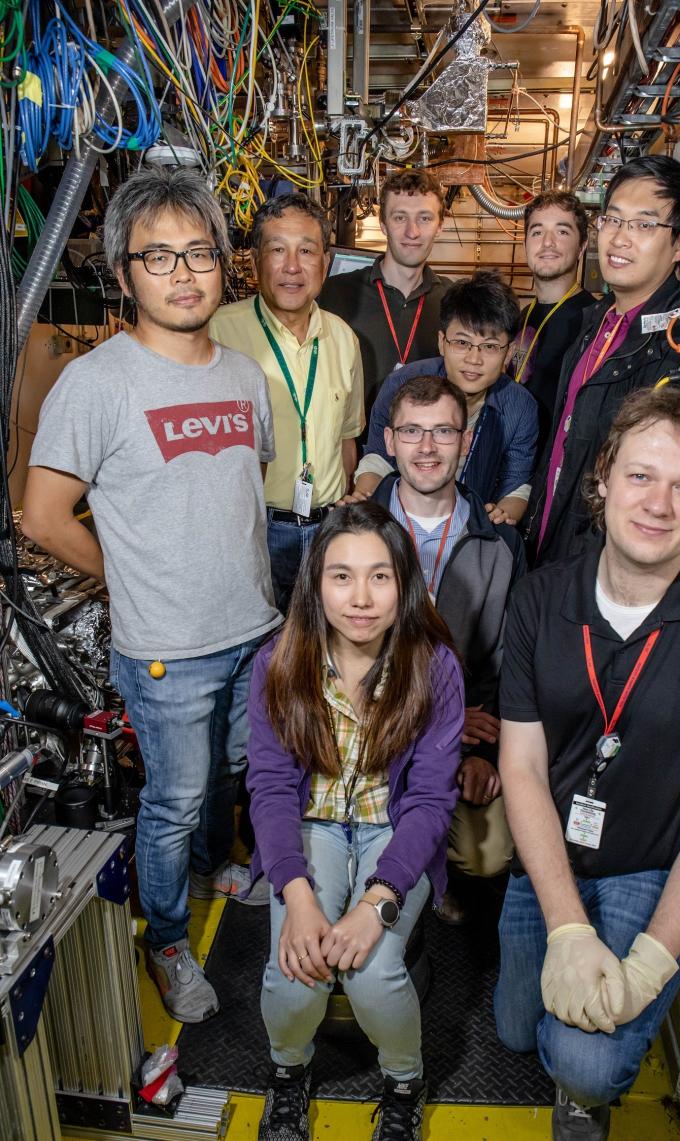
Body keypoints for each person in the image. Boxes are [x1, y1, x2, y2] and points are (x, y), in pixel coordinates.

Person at [21, 167, 282, 1023]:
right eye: (158, 256)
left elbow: (243, 492)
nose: (182, 273)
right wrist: (124, 573)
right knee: (170, 798)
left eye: (199, 252)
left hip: (254, 627)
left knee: (233, 770)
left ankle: (219, 863)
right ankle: (166, 935)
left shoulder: (245, 377)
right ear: (124, 273)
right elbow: (44, 515)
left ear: (222, 265)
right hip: (166, 645)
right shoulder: (98, 383)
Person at [494, 387, 680, 1140]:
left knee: (580, 1061)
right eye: (642, 476)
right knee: (518, 1031)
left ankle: (583, 1098)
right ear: (605, 477)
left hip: (644, 867)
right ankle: (563, 986)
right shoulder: (541, 595)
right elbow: (521, 765)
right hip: (547, 850)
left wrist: (649, 963)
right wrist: (564, 928)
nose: (659, 503)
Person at [247, 501, 465, 1141]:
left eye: (379, 576)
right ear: (315, 584)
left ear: (405, 583)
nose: (361, 597)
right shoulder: (279, 663)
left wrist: (378, 900)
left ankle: (405, 1082)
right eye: (341, 576)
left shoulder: (434, 667)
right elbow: (269, 787)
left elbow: (429, 800)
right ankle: (288, 1074)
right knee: (295, 977)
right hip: (309, 826)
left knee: (372, 976)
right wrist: (295, 893)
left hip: (393, 832)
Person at [370, 376, 525, 921]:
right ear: (388, 441)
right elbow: (327, 668)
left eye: (443, 431)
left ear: (467, 438)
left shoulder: (499, 543)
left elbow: (509, 662)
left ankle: (427, 862)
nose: (427, 447)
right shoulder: (351, 532)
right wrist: (439, 719)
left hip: (456, 741)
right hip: (364, 737)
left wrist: (481, 752)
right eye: (412, 431)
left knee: (487, 854)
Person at [524, 154, 680, 566]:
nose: (621, 239)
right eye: (613, 220)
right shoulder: (596, 320)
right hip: (550, 543)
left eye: (644, 225)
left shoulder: (678, 343)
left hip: (599, 563)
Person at [210, 193, 365, 611]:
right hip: (256, 529)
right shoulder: (218, 334)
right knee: (262, 659)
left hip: (328, 530)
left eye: (307, 251)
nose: (292, 266)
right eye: (277, 249)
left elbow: (347, 438)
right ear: (256, 259)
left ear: (326, 262)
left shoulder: (344, 339)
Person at [353, 270, 538, 525]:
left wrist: (492, 523)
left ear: (508, 354)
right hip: (398, 520)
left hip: (473, 529)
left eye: (490, 347)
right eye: (462, 343)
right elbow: (377, 459)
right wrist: (367, 503)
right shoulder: (401, 385)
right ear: (442, 342)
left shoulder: (521, 407)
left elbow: (516, 487)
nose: (474, 359)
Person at [318, 169, 450, 423]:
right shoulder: (333, 294)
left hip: (426, 453)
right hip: (354, 451)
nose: (412, 232)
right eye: (400, 217)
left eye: (424, 218)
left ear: (440, 226)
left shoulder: (454, 301)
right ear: (383, 224)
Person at [512, 191, 596, 451]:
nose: (547, 243)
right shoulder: (523, 317)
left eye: (562, 232)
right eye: (537, 232)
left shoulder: (594, 322)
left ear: (582, 246)